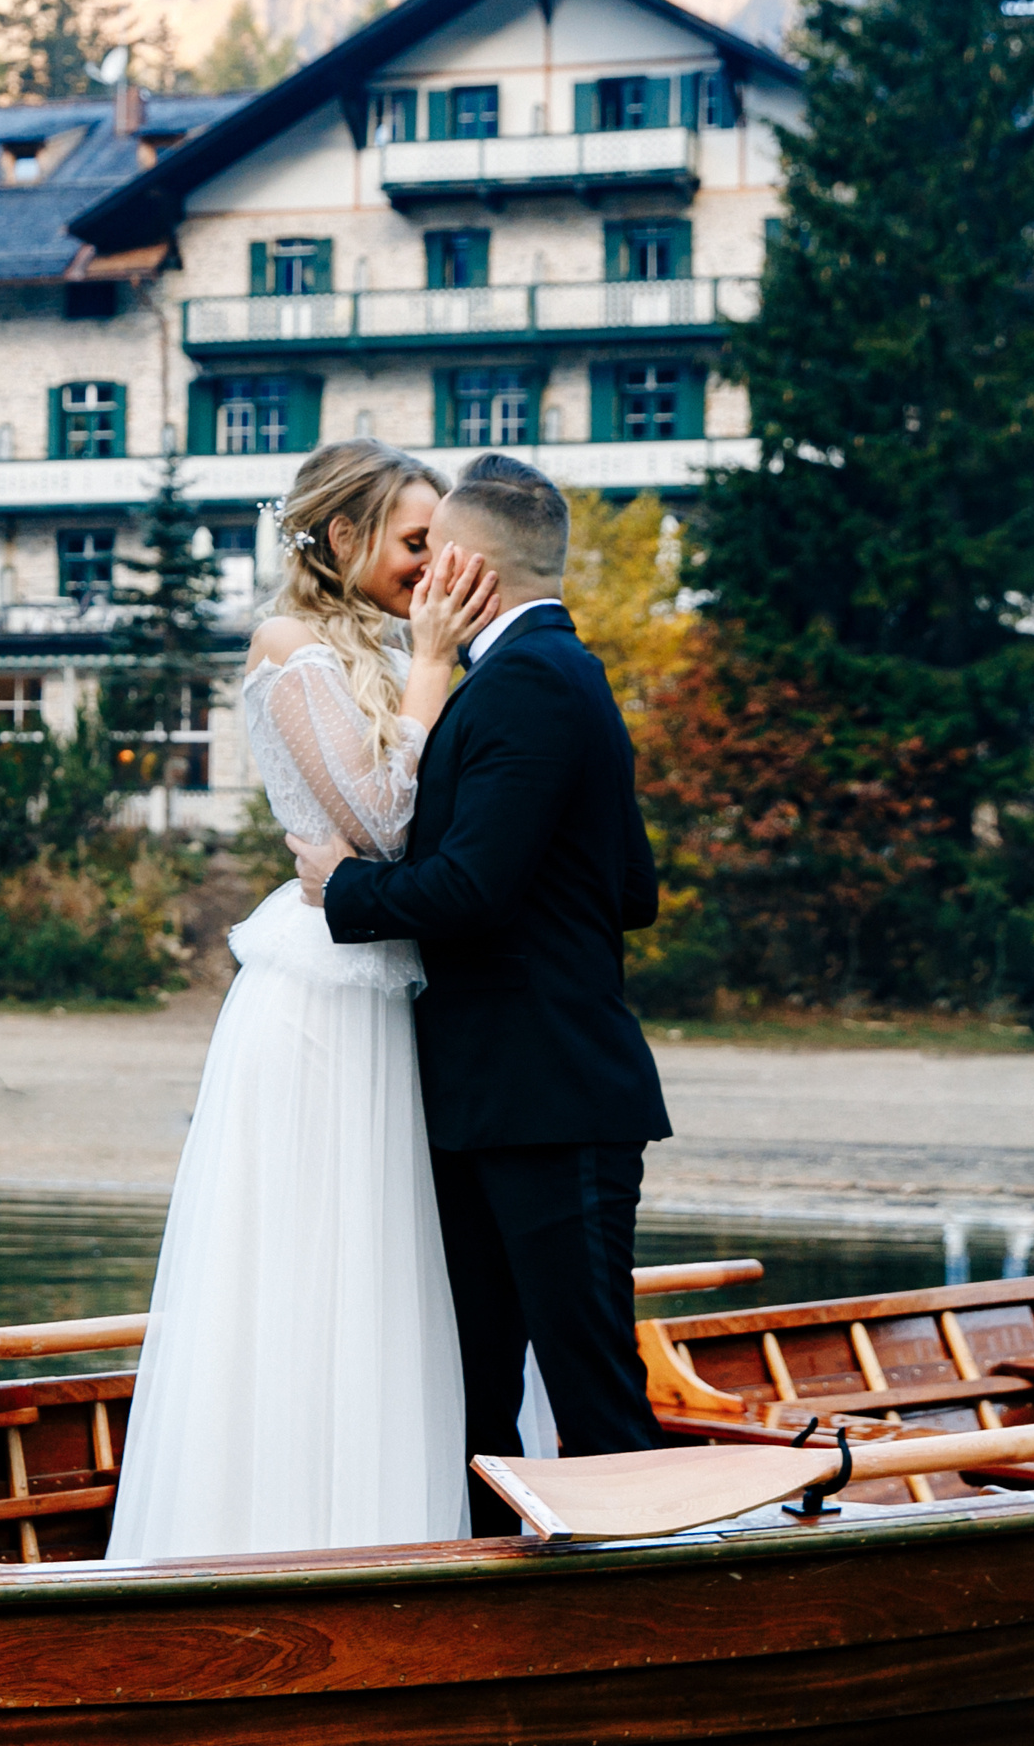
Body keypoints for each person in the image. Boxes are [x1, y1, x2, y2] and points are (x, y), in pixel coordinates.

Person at [106, 440, 501, 1559]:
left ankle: (396, 1534)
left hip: (389, 993)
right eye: (414, 543)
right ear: (339, 539)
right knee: (305, 1268)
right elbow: (379, 819)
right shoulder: (291, 648)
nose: (433, 568)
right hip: (317, 1001)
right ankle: (266, 1540)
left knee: (387, 1273)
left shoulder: (386, 646)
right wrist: (431, 666)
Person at [291, 452, 671, 1536]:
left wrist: (343, 887)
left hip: (548, 1098)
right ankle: (501, 1602)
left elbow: (470, 885)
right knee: (481, 1392)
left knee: (591, 1390)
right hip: (497, 1098)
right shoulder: (550, 673)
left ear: (466, 563)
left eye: (428, 548)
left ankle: (647, 1621)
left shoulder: (527, 682)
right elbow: (629, 890)